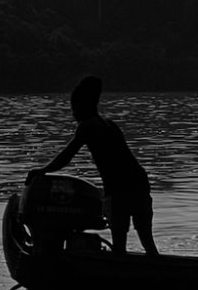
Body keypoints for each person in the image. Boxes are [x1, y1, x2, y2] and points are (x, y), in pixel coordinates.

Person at [31, 75, 157, 256]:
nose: (73, 113)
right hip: (139, 181)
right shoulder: (109, 124)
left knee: (119, 243)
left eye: (74, 108)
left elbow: (66, 156)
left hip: (120, 188)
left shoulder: (87, 126)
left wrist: (42, 171)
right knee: (147, 241)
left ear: (83, 106)